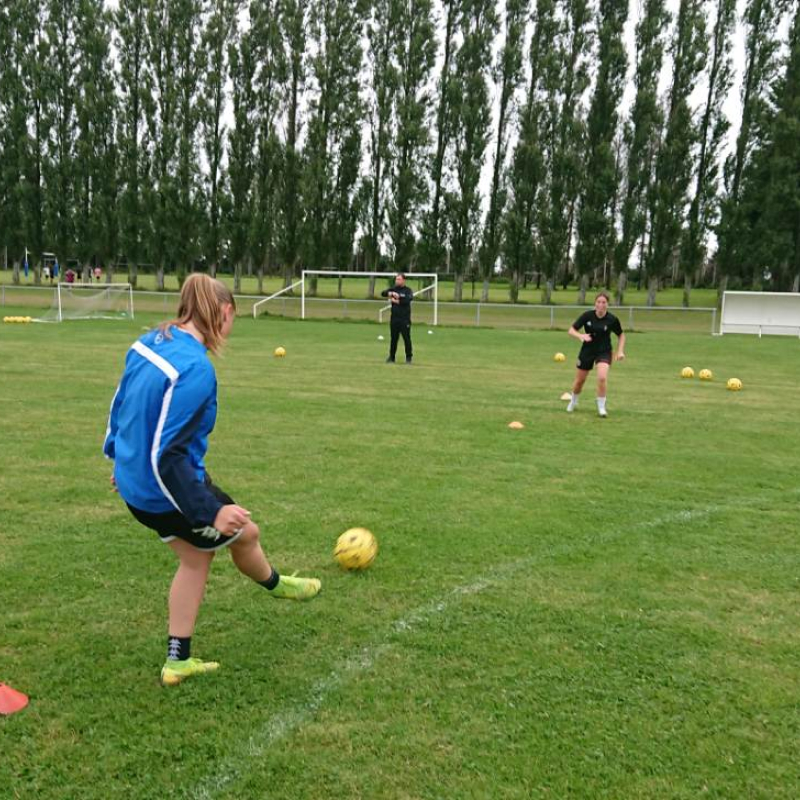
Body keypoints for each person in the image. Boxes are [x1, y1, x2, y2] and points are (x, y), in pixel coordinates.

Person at [103, 273, 321, 687]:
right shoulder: (196, 369)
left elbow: (121, 404)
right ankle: (269, 591)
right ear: (222, 312)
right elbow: (169, 456)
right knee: (224, 541)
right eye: (232, 319)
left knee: (220, 546)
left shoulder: (148, 341)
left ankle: (268, 591)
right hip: (163, 489)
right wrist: (210, 510)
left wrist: (118, 456)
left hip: (137, 484)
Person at [566, 291, 626, 417]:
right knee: (579, 381)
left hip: (604, 351)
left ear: (607, 304)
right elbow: (571, 330)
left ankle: (601, 407)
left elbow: (621, 335)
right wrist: (581, 335)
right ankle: (573, 401)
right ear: (595, 303)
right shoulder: (587, 316)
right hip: (587, 351)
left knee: (602, 378)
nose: (601, 304)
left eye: (604, 302)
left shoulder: (612, 319)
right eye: (598, 302)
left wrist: (620, 351)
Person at [380, 272, 414, 363]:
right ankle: (391, 357)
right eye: (396, 279)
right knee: (393, 339)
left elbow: (408, 299)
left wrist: (398, 299)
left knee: (406, 338)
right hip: (394, 319)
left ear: (403, 280)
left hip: (404, 319)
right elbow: (383, 293)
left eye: (399, 279)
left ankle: (408, 357)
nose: (397, 281)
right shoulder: (393, 289)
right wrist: (390, 293)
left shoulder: (408, 290)